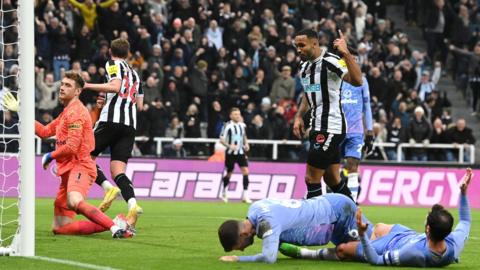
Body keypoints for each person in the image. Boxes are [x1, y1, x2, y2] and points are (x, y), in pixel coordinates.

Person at [5, 72, 133, 238]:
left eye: (68, 85)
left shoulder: (77, 113)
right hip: (67, 170)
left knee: (74, 201)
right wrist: (21, 112)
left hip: (81, 165)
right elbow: (44, 132)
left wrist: (50, 155)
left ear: (78, 91)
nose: (62, 88)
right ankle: (117, 222)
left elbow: (72, 147)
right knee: (59, 227)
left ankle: (115, 229)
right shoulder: (66, 112)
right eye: (62, 84)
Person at [281, 168, 473, 267]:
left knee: (342, 249)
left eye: (427, 220)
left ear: (428, 229)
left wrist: (364, 237)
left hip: (388, 246)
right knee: (379, 227)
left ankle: (306, 252)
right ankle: (353, 229)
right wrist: (463, 192)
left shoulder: (414, 254)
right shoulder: (454, 244)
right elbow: (465, 221)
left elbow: (376, 260)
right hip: (402, 234)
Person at [292, 28, 362, 200]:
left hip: (331, 126)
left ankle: (314, 224)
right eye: (296, 46)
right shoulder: (304, 67)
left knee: (311, 178)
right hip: (316, 126)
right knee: (332, 178)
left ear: (314, 43)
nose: (298, 49)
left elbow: (357, 80)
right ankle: (355, 217)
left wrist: (346, 53)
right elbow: (308, 95)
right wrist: (299, 116)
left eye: (302, 45)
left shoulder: (331, 61)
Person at [83, 38, 144, 228]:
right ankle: (133, 205)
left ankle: (107, 188)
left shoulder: (113, 64)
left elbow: (116, 86)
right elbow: (139, 105)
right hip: (129, 125)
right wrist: (107, 100)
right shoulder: (136, 75)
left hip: (111, 121)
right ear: (128, 53)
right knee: (118, 171)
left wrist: (86, 85)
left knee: (84, 156)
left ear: (110, 51)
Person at [217, 193, 373, 263]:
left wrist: (238, 259)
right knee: (347, 253)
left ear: (243, 233)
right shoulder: (255, 208)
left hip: (337, 213)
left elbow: (268, 258)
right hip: (329, 208)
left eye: (239, 247)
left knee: (373, 248)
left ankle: (396, 234)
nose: (243, 250)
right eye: (240, 251)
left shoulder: (266, 223)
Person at [340, 76, 373, 202]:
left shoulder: (362, 80)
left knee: (353, 167)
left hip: (356, 131)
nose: (352, 61)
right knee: (330, 167)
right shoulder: (335, 76)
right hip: (337, 129)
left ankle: (352, 205)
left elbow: (367, 105)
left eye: (355, 59)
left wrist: (369, 130)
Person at [219, 108, 251, 203]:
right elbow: (221, 139)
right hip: (230, 153)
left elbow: (244, 136)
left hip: (241, 152)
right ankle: (224, 192)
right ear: (231, 116)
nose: (237, 116)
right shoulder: (227, 126)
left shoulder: (242, 125)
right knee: (229, 173)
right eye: (235, 114)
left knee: (245, 171)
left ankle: (245, 196)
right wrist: (229, 146)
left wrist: (247, 143)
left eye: (238, 114)